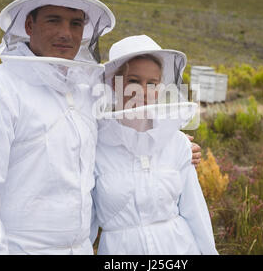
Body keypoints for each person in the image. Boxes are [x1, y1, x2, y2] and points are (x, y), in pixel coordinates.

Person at [0, 0, 201, 255]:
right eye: (53, 20)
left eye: (75, 23)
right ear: (29, 25)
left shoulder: (85, 91)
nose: (65, 33)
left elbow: (124, 125)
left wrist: (170, 140)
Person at [91, 35, 218, 255]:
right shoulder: (95, 146)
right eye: (133, 81)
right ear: (115, 83)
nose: (143, 91)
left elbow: (195, 213)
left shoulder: (177, 143)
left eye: (152, 83)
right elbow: (83, 225)